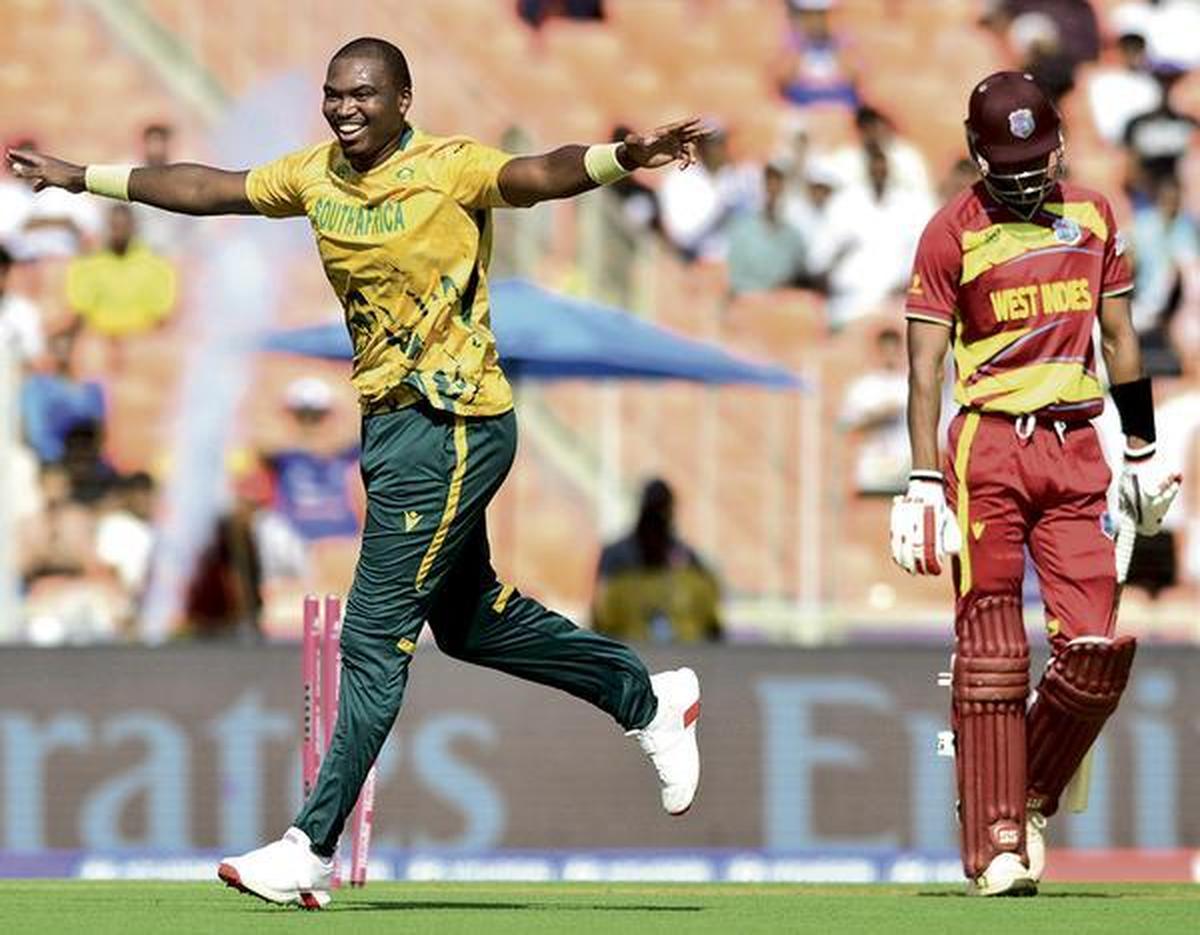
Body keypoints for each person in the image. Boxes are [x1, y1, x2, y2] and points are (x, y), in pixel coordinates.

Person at [7, 36, 705, 909]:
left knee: (372, 636)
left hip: (454, 424)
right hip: (387, 431)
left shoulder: (450, 168)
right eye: (334, 93)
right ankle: (646, 696)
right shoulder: (315, 176)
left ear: (404, 100)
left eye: (364, 94)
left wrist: (618, 159)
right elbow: (207, 188)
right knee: (472, 621)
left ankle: (311, 845)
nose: (344, 107)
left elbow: (536, 174)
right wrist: (82, 178)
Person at [890, 71, 1181, 896]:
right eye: (1005, 159)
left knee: (1092, 653)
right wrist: (919, 480)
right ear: (976, 152)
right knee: (991, 646)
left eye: (1034, 156)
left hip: (1077, 444)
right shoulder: (950, 232)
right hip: (988, 445)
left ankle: (1025, 790)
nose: (1023, 174)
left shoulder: (1093, 214)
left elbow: (1120, 337)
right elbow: (922, 369)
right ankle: (994, 845)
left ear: (1057, 142)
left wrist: (1140, 449)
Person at [593, 478, 722, 643]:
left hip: (672, 653)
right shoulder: (616, 558)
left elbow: (713, 625)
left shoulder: (688, 561)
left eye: (661, 511)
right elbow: (600, 616)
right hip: (637, 651)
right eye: (654, 512)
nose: (656, 521)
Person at [726, 161, 807, 296]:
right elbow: (735, 279)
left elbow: (798, 275)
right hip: (749, 304)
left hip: (783, 306)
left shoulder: (794, 235)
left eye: (779, 186)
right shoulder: (742, 229)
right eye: (768, 185)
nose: (773, 193)